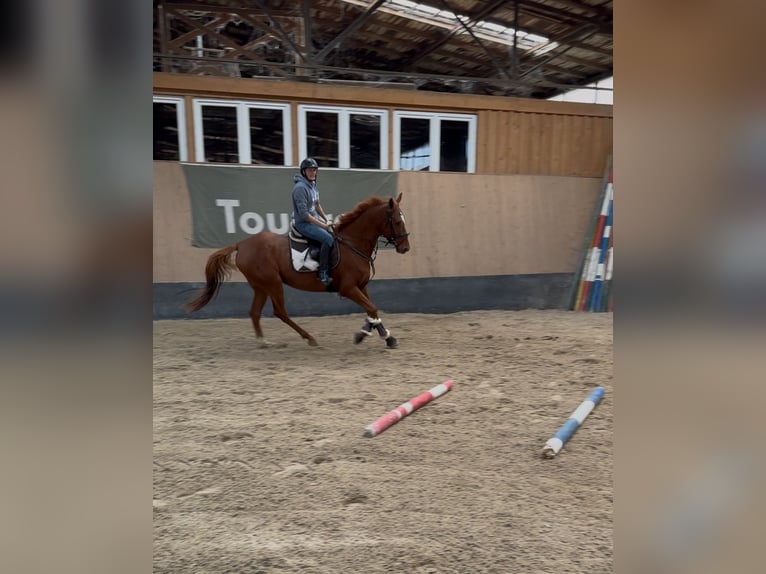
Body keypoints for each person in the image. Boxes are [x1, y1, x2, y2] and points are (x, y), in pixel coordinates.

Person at [291, 157, 334, 285]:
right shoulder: (300, 189)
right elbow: (304, 215)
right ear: (304, 172)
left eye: (314, 170)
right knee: (328, 239)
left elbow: (317, 205)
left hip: (313, 219)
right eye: (310, 170)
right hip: (303, 223)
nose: (313, 173)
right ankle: (323, 272)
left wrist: (327, 219)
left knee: (334, 234)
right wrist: (323, 226)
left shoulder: (313, 185)